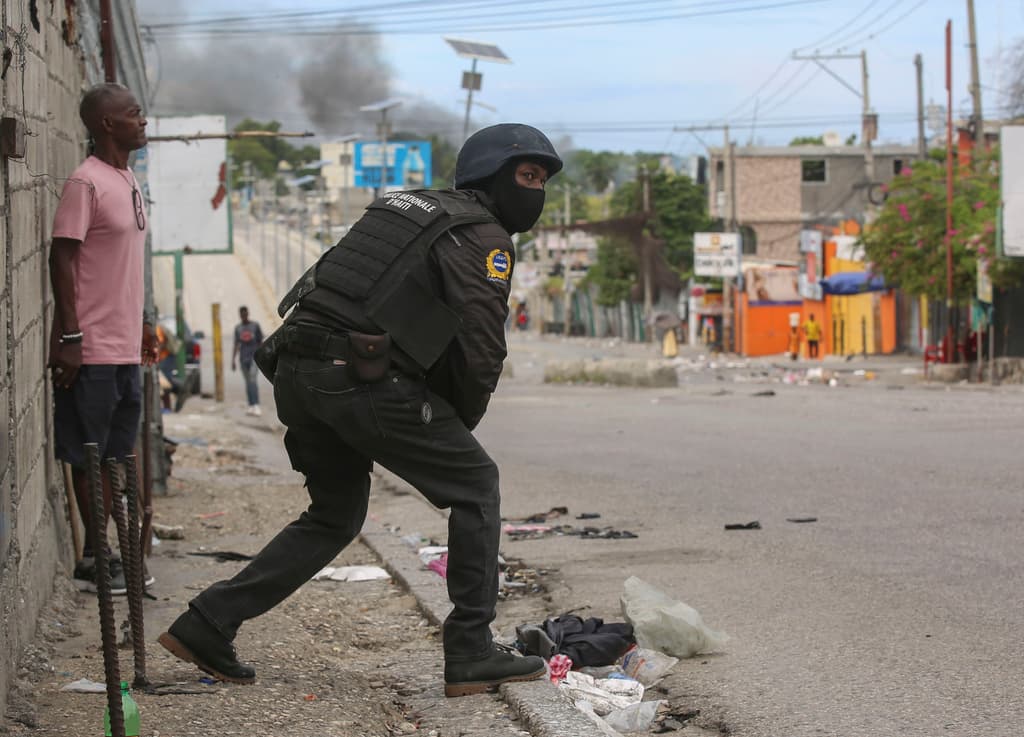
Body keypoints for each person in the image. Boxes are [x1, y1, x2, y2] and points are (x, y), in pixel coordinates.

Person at [159, 123, 562, 697]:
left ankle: (208, 622)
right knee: (476, 485)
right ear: (490, 176)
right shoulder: (484, 236)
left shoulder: (404, 208)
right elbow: (480, 346)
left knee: (336, 515)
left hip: (297, 368)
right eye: (527, 176)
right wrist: (457, 428)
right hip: (358, 376)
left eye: (542, 180)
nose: (536, 190)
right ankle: (471, 650)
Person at [48, 83, 157, 594]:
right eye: (134, 114)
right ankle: (96, 556)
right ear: (108, 124)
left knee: (115, 453)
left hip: (124, 345)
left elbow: (123, 265)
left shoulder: (127, 178)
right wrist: (70, 335)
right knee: (88, 453)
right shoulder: (85, 182)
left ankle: (109, 553)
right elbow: (61, 257)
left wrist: (141, 323)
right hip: (89, 348)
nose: (143, 120)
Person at [232, 306, 264, 416]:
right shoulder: (238, 328)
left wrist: (262, 356)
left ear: (248, 314)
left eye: (245, 314)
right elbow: (236, 344)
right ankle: (251, 405)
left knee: (252, 380)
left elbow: (260, 342)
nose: (244, 316)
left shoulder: (255, 326)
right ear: (240, 315)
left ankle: (256, 405)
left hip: (254, 358)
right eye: (242, 315)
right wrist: (233, 360)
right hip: (243, 359)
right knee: (248, 382)